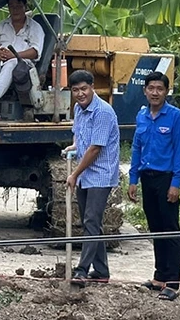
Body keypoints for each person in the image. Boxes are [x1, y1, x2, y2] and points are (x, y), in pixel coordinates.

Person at [127, 71, 180, 301]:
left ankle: (172, 282)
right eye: (151, 88)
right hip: (147, 178)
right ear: (145, 91)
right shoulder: (142, 115)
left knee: (170, 229)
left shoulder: (176, 117)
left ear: (166, 92)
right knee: (155, 228)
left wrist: (176, 183)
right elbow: (136, 148)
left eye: (159, 89)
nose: (155, 92)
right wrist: (133, 179)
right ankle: (159, 277)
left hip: (166, 179)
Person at [63, 69, 120, 288]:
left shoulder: (103, 112)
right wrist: (75, 146)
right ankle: (102, 271)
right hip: (86, 173)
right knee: (92, 223)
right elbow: (79, 134)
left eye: (84, 89)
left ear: (92, 87)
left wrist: (74, 173)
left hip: (100, 174)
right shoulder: (78, 109)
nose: (80, 94)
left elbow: (96, 148)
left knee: (90, 221)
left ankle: (81, 270)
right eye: (75, 90)